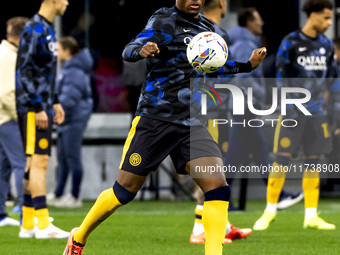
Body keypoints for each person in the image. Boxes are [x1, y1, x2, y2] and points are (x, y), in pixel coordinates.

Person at [62, 0, 266, 254]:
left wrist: (247, 65)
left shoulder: (206, 28)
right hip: (156, 119)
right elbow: (129, 49)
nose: (196, 0)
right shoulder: (163, 20)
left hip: (191, 123)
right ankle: (78, 237)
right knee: (123, 192)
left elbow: (212, 65)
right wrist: (142, 50)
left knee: (217, 187)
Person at [253, 0, 338, 231]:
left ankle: (311, 216)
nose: (329, 23)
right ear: (313, 15)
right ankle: (269, 211)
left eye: (331, 18)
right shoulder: (291, 42)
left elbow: (333, 80)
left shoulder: (327, 45)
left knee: (313, 161)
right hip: (293, 113)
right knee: (281, 159)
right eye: (326, 18)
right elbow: (280, 77)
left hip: (318, 113)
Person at [226, 7, 304, 210]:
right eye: (258, 19)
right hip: (244, 106)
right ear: (249, 22)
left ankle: (275, 194)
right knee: (238, 154)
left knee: (253, 152)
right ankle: (220, 197)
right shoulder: (245, 44)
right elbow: (243, 77)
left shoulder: (243, 41)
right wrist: (258, 100)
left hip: (243, 105)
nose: (262, 23)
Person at [189, 0, 252, 245]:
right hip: (204, 111)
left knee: (215, 168)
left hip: (207, 108)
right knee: (208, 168)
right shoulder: (211, 32)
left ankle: (222, 224)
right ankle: (198, 228)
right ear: (222, 3)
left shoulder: (196, 29)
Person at [15, 0, 70, 238]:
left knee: (32, 163)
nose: (67, 2)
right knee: (40, 162)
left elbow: (44, 73)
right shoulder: (33, 29)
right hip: (32, 108)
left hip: (43, 105)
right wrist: (38, 106)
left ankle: (28, 224)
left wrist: (54, 100)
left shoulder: (47, 29)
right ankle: (43, 223)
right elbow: (24, 70)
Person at [47, 36, 93, 208]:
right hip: (66, 120)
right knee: (63, 158)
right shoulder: (68, 68)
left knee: (72, 157)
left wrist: (53, 112)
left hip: (73, 120)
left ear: (67, 51)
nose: (56, 53)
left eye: (58, 49)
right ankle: (59, 194)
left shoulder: (74, 71)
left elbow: (69, 99)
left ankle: (74, 196)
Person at [0, 17, 29, 227]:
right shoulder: (9, 56)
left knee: (3, 167)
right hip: (9, 118)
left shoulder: (6, 53)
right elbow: (7, 92)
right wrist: (21, 117)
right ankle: (26, 216)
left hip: (2, 118)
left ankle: (1, 214)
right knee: (22, 164)